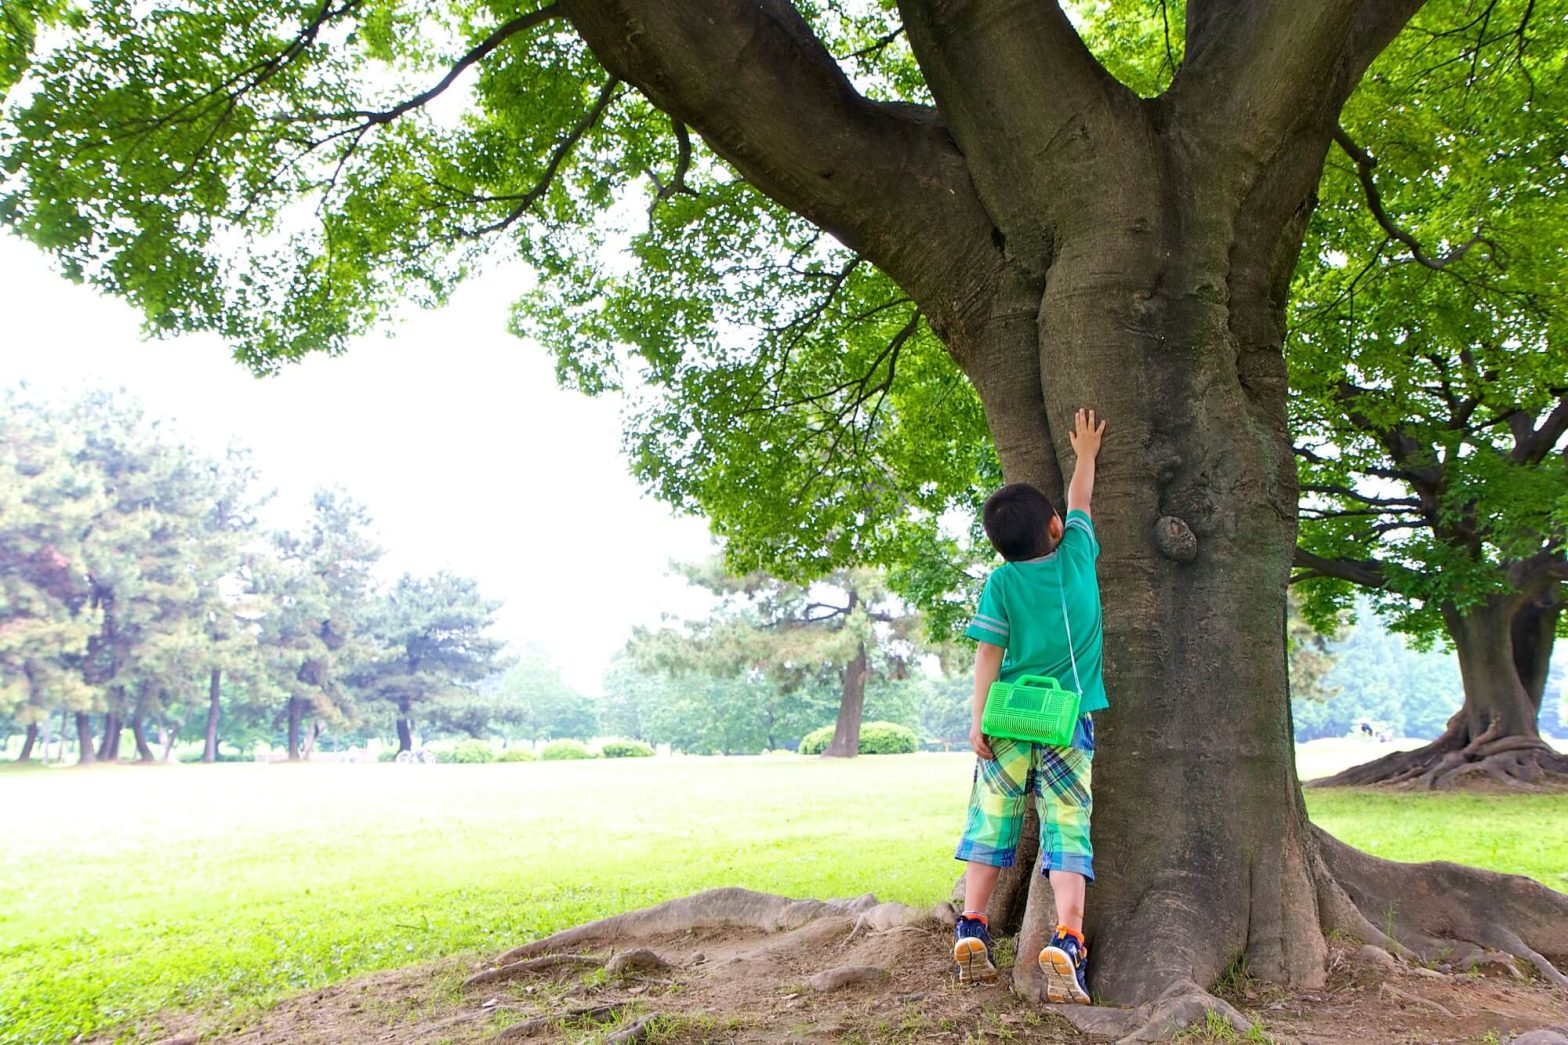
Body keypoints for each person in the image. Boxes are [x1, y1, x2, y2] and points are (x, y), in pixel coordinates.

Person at [951, 407, 1108, 1006]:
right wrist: (1086, 453)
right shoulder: (1076, 557)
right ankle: (1068, 939)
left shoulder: (1000, 583)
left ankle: (972, 924)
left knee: (992, 821)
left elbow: (988, 655)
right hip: (1067, 719)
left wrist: (978, 719)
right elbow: (1082, 499)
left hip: (1008, 719)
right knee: (1067, 826)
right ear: (1053, 526)